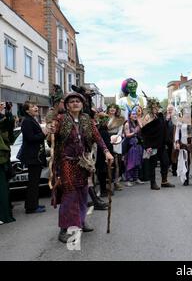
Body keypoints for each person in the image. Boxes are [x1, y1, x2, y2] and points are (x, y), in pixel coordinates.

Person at [49, 92, 114, 243]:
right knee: (69, 195)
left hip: (83, 162)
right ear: (67, 105)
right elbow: (52, 133)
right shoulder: (61, 119)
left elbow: (97, 136)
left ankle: (81, 221)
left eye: (78, 101)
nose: (75, 103)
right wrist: (51, 131)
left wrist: (106, 151)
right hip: (66, 162)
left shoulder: (86, 119)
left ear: (82, 104)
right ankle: (64, 229)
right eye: (71, 101)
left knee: (82, 193)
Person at [141, 98, 176, 189]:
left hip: (161, 144)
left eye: (157, 106)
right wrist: (147, 146)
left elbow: (163, 128)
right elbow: (144, 133)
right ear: (150, 108)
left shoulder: (160, 116)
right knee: (152, 164)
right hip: (152, 145)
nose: (156, 108)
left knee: (165, 162)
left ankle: (164, 181)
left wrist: (167, 141)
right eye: (154, 107)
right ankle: (153, 183)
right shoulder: (147, 117)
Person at [21, 101, 47, 214]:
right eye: (32, 107)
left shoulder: (31, 120)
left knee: (35, 182)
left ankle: (33, 204)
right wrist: (44, 133)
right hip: (32, 156)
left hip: (36, 156)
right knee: (33, 183)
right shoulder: (26, 121)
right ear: (27, 110)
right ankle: (31, 207)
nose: (36, 108)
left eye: (36, 106)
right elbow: (30, 138)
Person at [0, 102, 15, 225]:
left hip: (3, 159)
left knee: (3, 188)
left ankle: (4, 214)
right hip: (2, 158)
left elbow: (9, 136)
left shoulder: (5, 120)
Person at [123, 107, 144, 187]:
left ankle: (136, 178)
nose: (135, 115)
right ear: (130, 115)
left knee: (137, 163)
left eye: (135, 114)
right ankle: (128, 179)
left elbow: (142, 129)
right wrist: (135, 132)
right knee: (130, 163)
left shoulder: (137, 123)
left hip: (138, 145)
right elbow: (127, 135)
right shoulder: (127, 123)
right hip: (131, 146)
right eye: (133, 114)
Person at [106, 104, 125, 191]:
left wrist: (116, 139)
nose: (112, 109)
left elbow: (120, 132)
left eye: (114, 108)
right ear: (108, 109)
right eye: (111, 107)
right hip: (106, 140)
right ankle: (107, 182)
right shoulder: (104, 118)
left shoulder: (120, 119)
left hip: (116, 140)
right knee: (107, 163)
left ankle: (116, 182)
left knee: (117, 162)